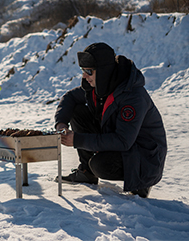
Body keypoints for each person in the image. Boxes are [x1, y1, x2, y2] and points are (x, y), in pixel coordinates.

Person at [54, 42, 167, 198]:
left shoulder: (133, 97)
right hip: (125, 145)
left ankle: (141, 183)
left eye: (88, 71)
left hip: (145, 158)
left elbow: (122, 141)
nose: (84, 76)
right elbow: (70, 97)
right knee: (77, 110)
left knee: (100, 165)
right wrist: (61, 123)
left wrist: (77, 139)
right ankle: (87, 173)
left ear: (103, 72)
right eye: (83, 71)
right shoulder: (101, 85)